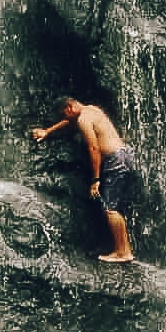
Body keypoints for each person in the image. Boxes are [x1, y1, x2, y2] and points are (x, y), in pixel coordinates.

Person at [31, 96, 137, 263]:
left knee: (111, 208)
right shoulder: (91, 109)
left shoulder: (82, 119)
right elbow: (69, 122)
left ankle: (122, 252)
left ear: (69, 108)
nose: (65, 119)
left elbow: (93, 148)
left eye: (65, 114)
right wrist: (48, 131)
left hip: (114, 160)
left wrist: (95, 180)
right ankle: (125, 249)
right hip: (125, 155)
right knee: (116, 207)